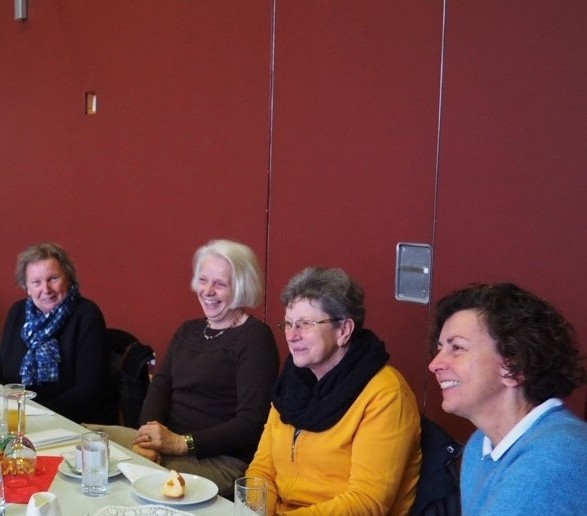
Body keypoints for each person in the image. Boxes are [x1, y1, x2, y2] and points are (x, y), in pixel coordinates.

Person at [89, 239, 280, 498]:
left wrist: (180, 444)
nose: (208, 291)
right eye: (203, 280)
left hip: (219, 461)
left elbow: (250, 424)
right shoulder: (187, 331)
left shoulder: (256, 338)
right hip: (166, 445)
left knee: (125, 477)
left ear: (241, 288)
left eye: (220, 284)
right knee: (83, 441)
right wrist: (149, 442)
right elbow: (160, 387)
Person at [246, 266, 422, 515]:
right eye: (288, 324)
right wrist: (255, 511)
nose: (292, 335)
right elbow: (262, 470)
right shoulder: (291, 383)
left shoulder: (386, 393)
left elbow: (366, 503)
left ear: (343, 330)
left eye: (305, 324)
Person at [428, 282, 587, 516]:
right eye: (440, 348)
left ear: (514, 366)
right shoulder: (480, 445)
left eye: (457, 348)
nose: (434, 364)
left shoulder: (554, 456)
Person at [0, 242, 112, 423]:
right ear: (27, 288)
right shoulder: (17, 313)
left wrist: (33, 413)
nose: (46, 289)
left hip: (70, 421)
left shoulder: (86, 314)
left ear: (68, 278)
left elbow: (88, 392)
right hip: (17, 417)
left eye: (53, 278)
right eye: (36, 282)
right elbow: (3, 372)